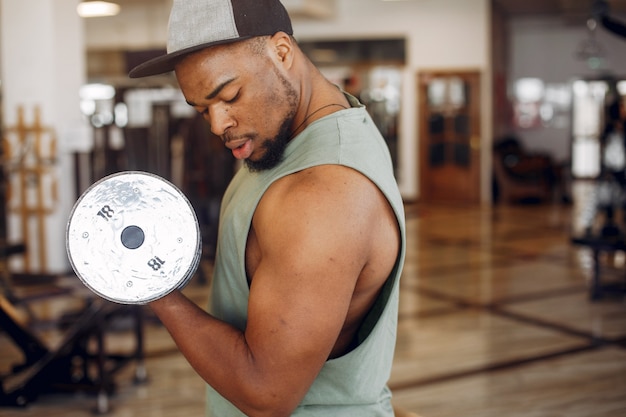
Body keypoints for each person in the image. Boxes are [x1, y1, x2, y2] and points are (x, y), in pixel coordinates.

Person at [129, 0, 406, 416]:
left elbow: (266, 393)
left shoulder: (320, 194)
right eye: (203, 109)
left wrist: (149, 285)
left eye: (230, 95)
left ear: (281, 52)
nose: (218, 124)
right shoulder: (305, 133)